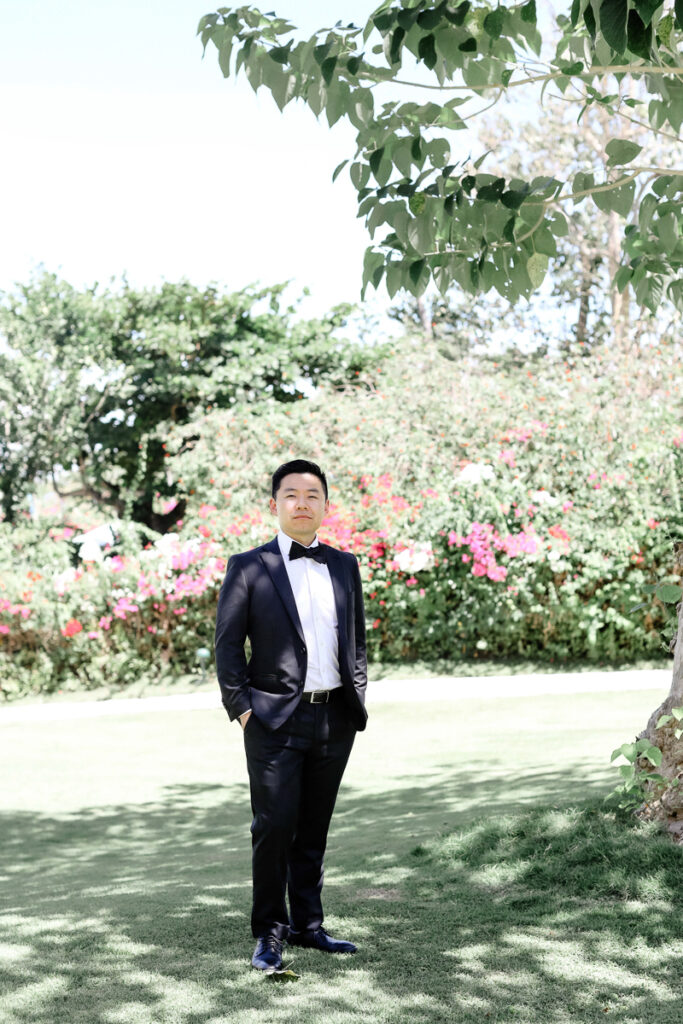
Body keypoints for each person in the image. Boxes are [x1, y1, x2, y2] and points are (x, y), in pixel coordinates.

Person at [214, 458, 368, 973]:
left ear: (325, 504)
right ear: (275, 504)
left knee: (313, 829)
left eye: (312, 495)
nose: (302, 504)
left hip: (334, 719)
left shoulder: (344, 564)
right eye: (291, 495)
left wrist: (356, 697)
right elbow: (227, 647)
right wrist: (243, 711)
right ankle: (269, 933)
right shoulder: (249, 566)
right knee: (274, 827)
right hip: (272, 721)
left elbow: (355, 641)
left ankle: (308, 925)